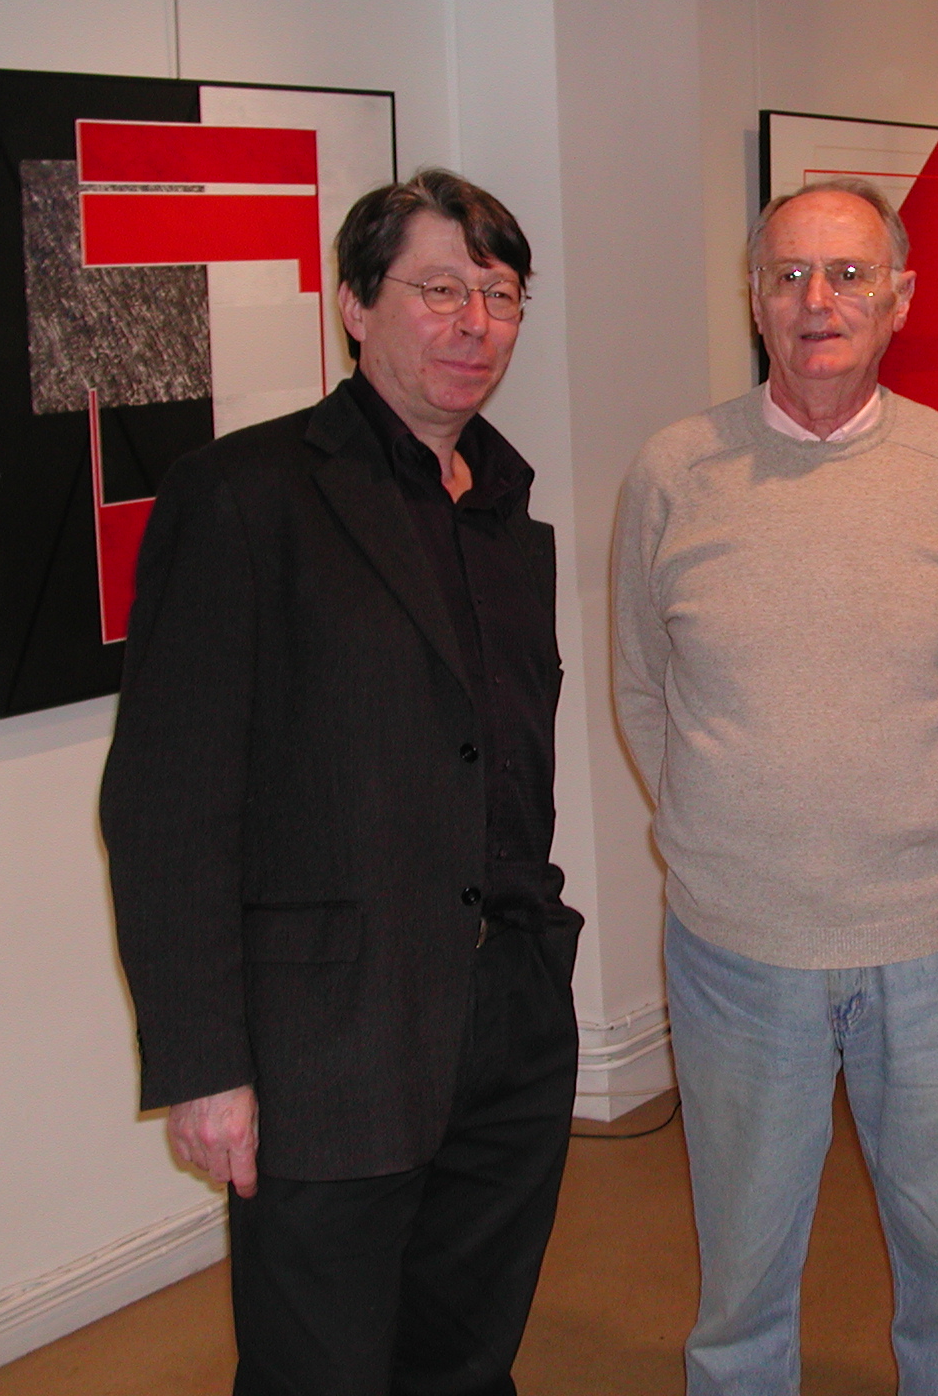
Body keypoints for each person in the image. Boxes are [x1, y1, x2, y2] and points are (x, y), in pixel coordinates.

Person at [102, 169, 580, 1396]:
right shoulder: (245, 496)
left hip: (508, 1021)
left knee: (465, 1358)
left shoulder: (507, 509)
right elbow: (165, 806)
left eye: (500, 295)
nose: (475, 323)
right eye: (440, 289)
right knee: (316, 1369)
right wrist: (205, 1063)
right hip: (332, 1039)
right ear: (356, 306)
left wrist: (537, 973)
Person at [611, 178, 938, 1395]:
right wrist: (736, 831)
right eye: (788, 275)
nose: (816, 301)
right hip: (738, 950)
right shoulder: (673, 473)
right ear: (752, 300)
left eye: (848, 274)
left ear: (901, 297)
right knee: (740, 1288)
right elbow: (643, 689)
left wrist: (903, 820)